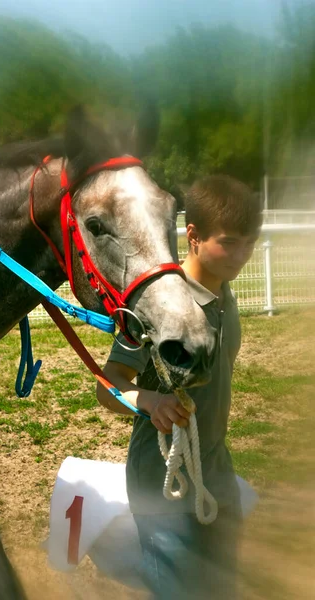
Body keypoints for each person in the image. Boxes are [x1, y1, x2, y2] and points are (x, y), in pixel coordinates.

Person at [96, 175, 263, 599]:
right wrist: (149, 400)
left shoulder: (226, 295)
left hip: (216, 476)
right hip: (162, 486)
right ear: (193, 235)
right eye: (229, 242)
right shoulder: (159, 307)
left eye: (249, 242)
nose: (241, 255)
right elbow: (107, 384)